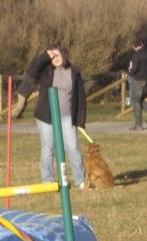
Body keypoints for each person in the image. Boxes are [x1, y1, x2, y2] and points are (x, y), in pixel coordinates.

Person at [21, 44, 87, 189]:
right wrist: (46, 55)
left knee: (73, 147)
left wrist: (80, 119)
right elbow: (32, 69)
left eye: (57, 55)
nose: (55, 59)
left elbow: (80, 96)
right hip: (46, 116)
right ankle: (48, 181)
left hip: (67, 116)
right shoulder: (46, 71)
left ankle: (80, 180)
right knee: (47, 148)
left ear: (64, 55)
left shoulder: (74, 71)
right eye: (53, 57)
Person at [127, 38, 147, 130]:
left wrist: (129, 72)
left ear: (134, 46)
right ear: (141, 44)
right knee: (140, 101)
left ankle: (138, 124)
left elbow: (134, 69)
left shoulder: (136, 56)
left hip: (138, 81)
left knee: (134, 101)